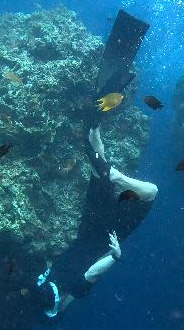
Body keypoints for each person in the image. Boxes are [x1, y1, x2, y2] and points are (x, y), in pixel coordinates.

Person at [34, 125, 157, 318]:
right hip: (88, 226)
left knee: (151, 193)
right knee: (99, 173)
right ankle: (93, 128)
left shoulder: (76, 290)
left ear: (59, 304)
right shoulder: (47, 277)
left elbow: (92, 273)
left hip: (111, 234)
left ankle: (118, 177)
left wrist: (115, 257)